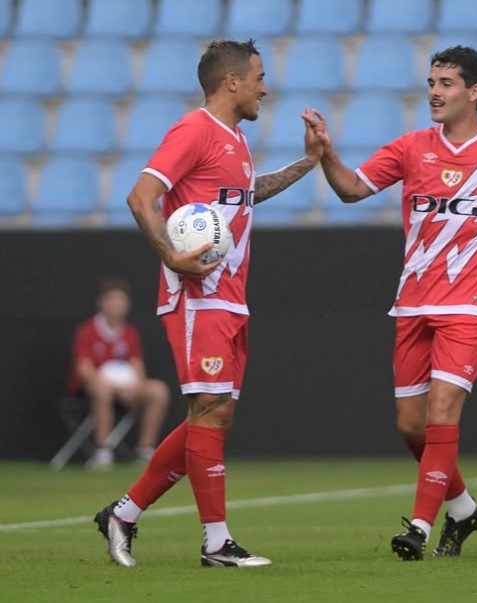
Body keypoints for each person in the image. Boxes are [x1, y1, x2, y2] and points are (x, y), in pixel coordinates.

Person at [307, 45, 477, 561]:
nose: (434, 93)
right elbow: (353, 190)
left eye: (445, 83)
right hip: (413, 303)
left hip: (469, 304)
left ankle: (419, 528)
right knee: (411, 426)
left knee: (443, 412)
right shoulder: (411, 147)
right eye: (431, 83)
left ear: (474, 91)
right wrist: (326, 154)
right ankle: (464, 509)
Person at [93, 39, 324, 568]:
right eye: (260, 76)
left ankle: (123, 514)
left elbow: (246, 194)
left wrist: (309, 162)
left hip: (230, 296)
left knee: (213, 415)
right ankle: (216, 542)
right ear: (232, 81)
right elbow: (141, 196)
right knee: (211, 412)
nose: (267, 87)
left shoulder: (235, 141)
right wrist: (172, 257)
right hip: (198, 295)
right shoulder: (194, 130)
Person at [68, 277, 170, 470]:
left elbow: (137, 366)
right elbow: (84, 368)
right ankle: (103, 450)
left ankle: (145, 450)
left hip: (126, 389)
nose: (117, 305)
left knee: (158, 390)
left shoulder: (130, 333)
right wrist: (112, 387)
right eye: (112, 300)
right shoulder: (87, 331)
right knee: (103, 390)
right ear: (102, 302)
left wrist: (134, 387)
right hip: (95, 388)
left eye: (121, 300)